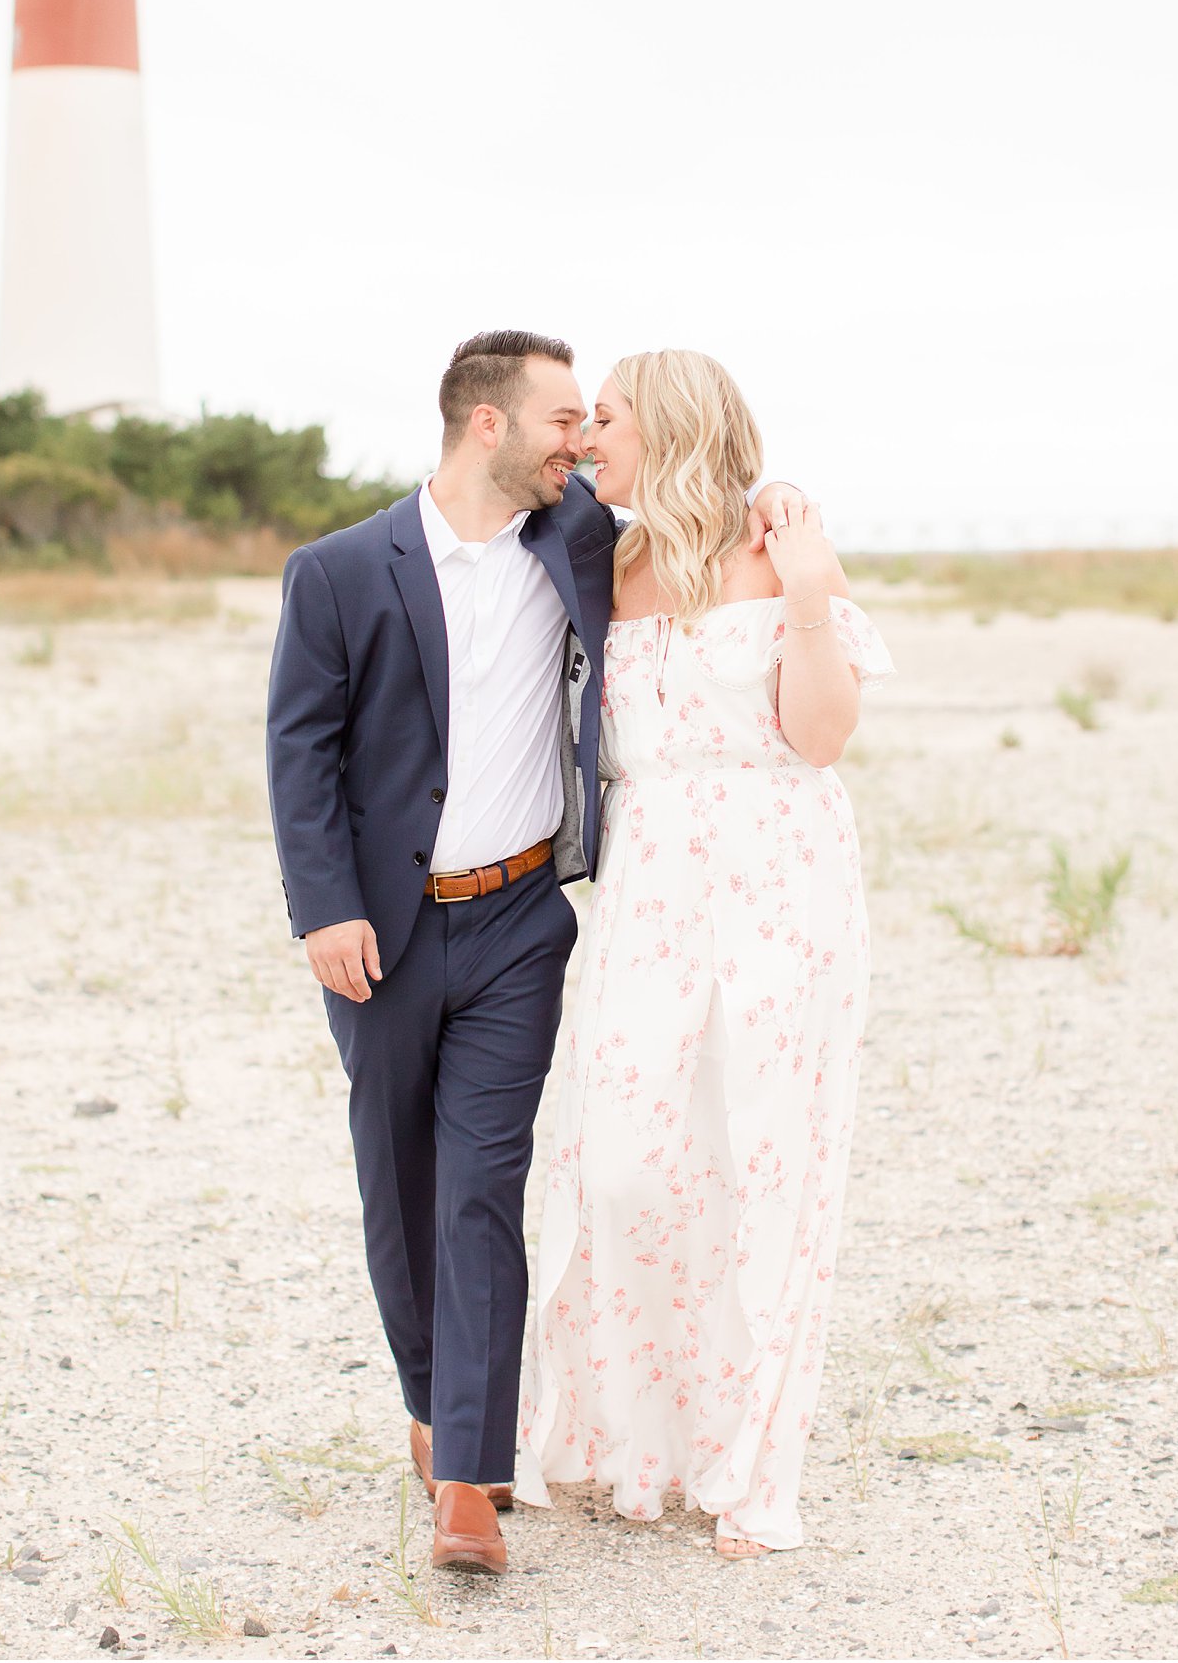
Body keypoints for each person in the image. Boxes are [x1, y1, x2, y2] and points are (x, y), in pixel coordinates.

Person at [265, 331, 804, 1576]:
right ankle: (428, 1399)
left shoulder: (576, 542)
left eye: (589, 421)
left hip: (520, 923)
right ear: (487, 427)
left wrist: (775, 502)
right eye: (564, 420)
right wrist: (321, 907)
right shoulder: (339, 571)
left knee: (482, 1185)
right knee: (396, 1187)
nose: (582, 441)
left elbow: (702, 521)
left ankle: (471, 1473)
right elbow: (302, 753)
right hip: (382, 933)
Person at [516, 350, 891, 1557]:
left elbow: (820, 737)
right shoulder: (600, 553)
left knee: (769, 1165)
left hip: (782, 881)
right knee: (620, 1163)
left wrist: (806, 590)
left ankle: (747, 1467)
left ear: (667, 427)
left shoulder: (782, 552)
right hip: (651, 889)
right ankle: (633, 1441)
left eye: (606, 420)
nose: (584, 442)